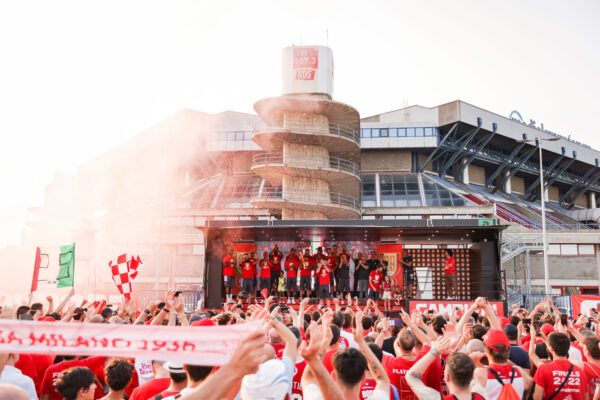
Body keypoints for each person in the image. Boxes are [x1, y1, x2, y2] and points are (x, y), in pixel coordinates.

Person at [406, 336, 488, 400]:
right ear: (471, 377)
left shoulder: (436, 398)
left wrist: (435, 351)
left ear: (447, 377)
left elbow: (411, 376)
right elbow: (471, 373)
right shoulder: (481, 395)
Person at [532, 332, 588, 400]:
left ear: (551, 349)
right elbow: (586, 397)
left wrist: (533, 336)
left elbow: (537, 397)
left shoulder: (543, 369)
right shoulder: (580, 372)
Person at [481, 328, 531, 400]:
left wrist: (472, 358)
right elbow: (529, 382)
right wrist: (506, 359)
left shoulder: (482, 374)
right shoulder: (518, 371)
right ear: (508, 350)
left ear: (486, 350)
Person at [40, 356, 106, 400]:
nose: (95, 386)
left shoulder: (50, 370)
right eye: (92, 383)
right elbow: (106, 354)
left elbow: (44, 395)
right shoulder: (86, 364)